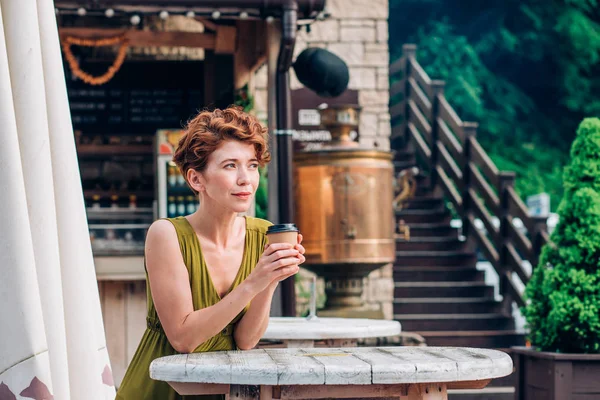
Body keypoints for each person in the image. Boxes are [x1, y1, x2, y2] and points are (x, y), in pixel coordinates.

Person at [116, 107, 305, 399]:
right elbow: (184, 338)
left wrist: (271, 278)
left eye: (252, 165)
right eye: (230, 165)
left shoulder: (262, 234)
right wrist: (254, 281)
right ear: (196, 180)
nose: (246, 179)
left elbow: (245, 341)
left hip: (227, 389)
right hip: (163, 389)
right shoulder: (167, 235)